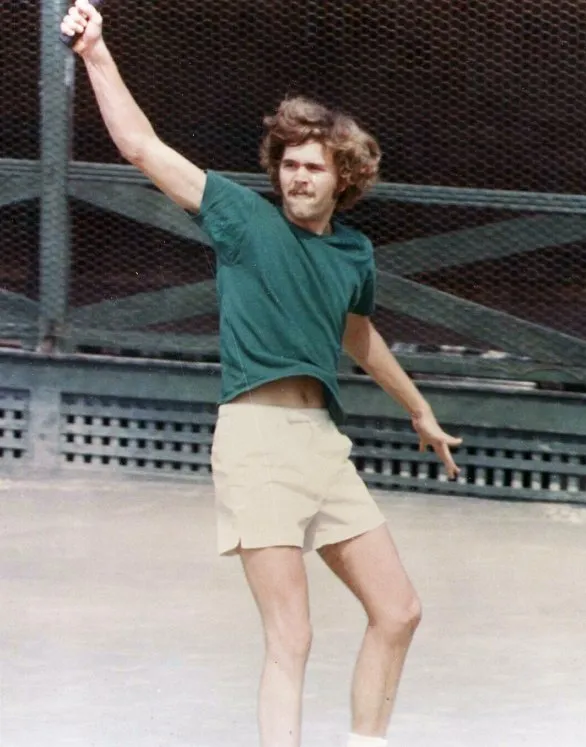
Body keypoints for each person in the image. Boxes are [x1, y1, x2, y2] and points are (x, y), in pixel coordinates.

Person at [60, 2, 462, 746]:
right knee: (292, 635)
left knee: (399, 609)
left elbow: (357, 335)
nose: (298, 177)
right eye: (289, 164)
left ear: (344, 178)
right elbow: (142, 146)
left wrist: (418, 408)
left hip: (322, 446)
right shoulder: (244, 221)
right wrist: (96, 54)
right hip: (255, 441)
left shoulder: (353, 254)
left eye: (314, 167)